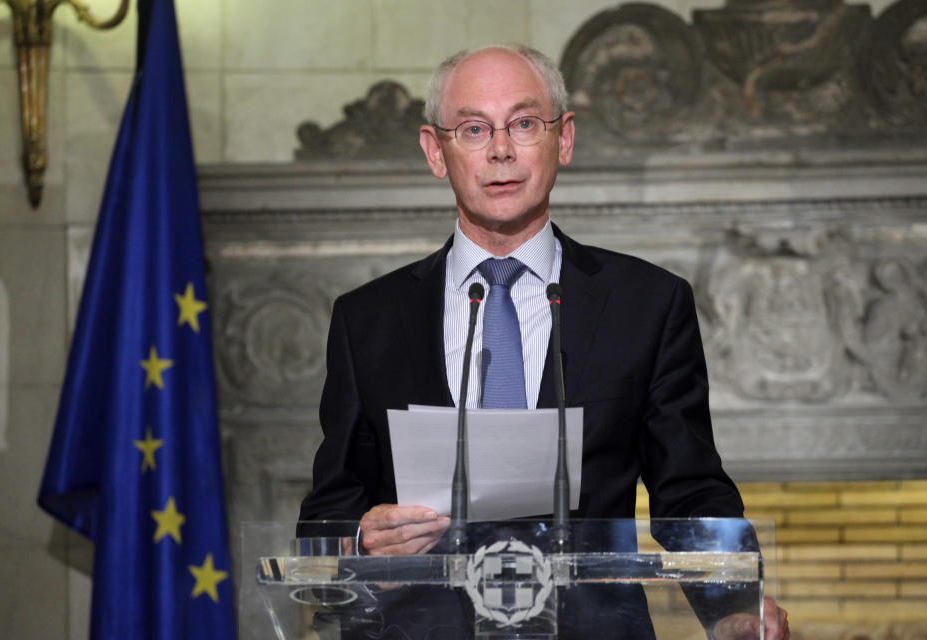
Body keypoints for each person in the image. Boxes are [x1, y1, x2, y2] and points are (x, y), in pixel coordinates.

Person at [298, 44, 789, 640]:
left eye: (525, 124)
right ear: (436, 151)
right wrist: (362, 541)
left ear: (564, 139)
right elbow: (327, 513)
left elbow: (689, 490)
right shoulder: (367, 319)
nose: (501, 150)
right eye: (474, 128)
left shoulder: (647, 304)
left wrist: (732, 602)